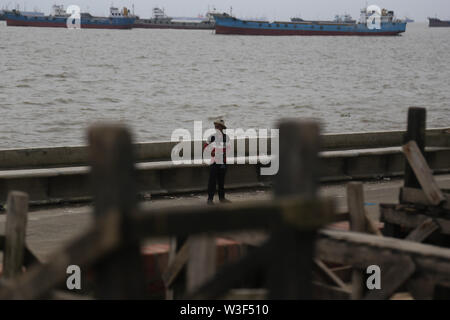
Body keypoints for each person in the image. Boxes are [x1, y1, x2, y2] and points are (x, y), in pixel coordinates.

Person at [204, 119, 231, 205]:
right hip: (214, 162)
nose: (216, 128)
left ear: (222, 128)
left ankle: (222, 198)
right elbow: (205, 147)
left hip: (223, 162)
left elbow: (229, 149)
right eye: (215, 126)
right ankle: (210, 199)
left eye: (218, 126)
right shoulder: (211, 137)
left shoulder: (226, 137)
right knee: (212, 181)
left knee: (221, 181)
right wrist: (211, 152)